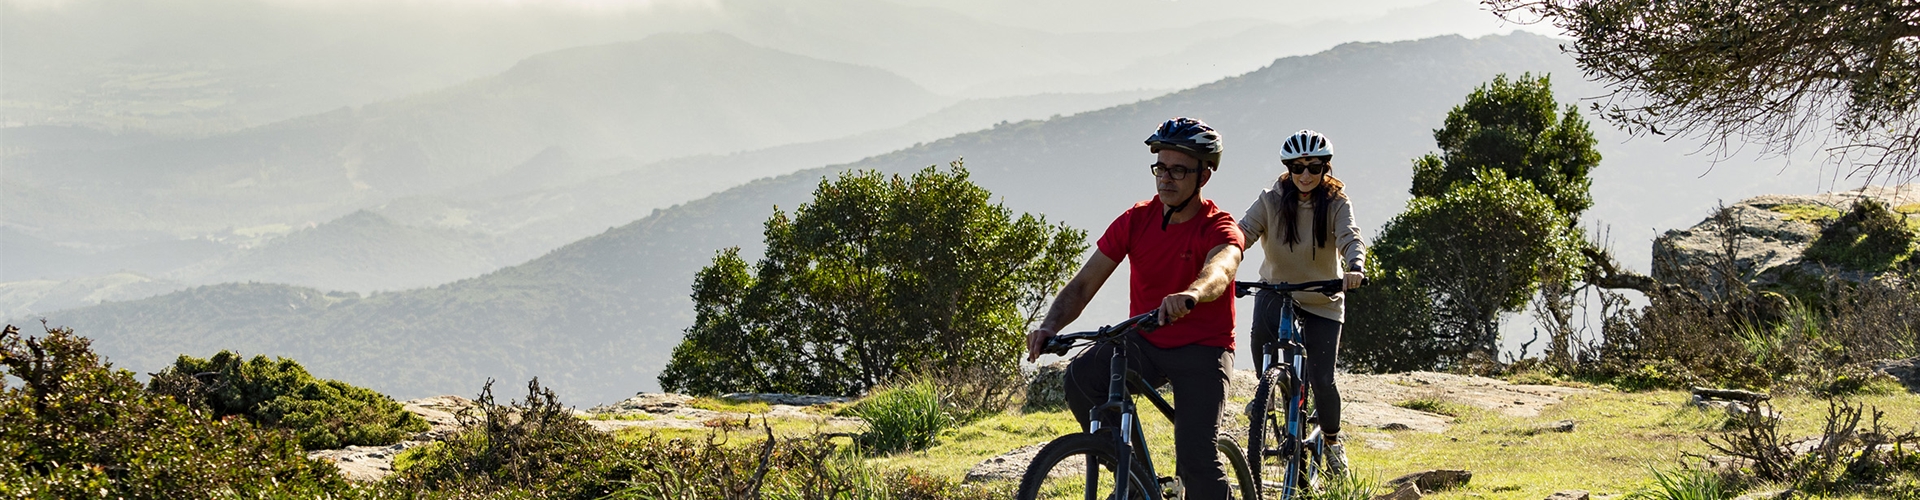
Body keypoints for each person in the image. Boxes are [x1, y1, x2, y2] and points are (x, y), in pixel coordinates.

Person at [1025, 116, 1245, 498]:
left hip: (1203, 349)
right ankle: (1136, 478)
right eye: (1160, 167)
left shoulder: (1219, 226)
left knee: (1196, 460)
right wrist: (1049, 326)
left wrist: (1192, 293)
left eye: (1178, 170)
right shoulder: (1136, 219)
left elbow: (1221, 268)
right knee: (1080, 377)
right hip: (1146, 339)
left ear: (1203, 177)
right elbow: (1081, 286)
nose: (1166, 178)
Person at [1236, 129, 1368, 475]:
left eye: (1314, 167)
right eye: (1297, 167)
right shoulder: (1271, 199)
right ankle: (1266, 393)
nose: (1305, 175)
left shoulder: (1337, 203)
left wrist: (1354, 267)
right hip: (1277, 289)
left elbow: (1350, 237)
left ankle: (1333, 441)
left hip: (1322, 296)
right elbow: (1244, 231)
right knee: (1260, 335)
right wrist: (1226, 255)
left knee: (1322, 380)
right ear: (1288, 168)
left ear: (1326, 167)